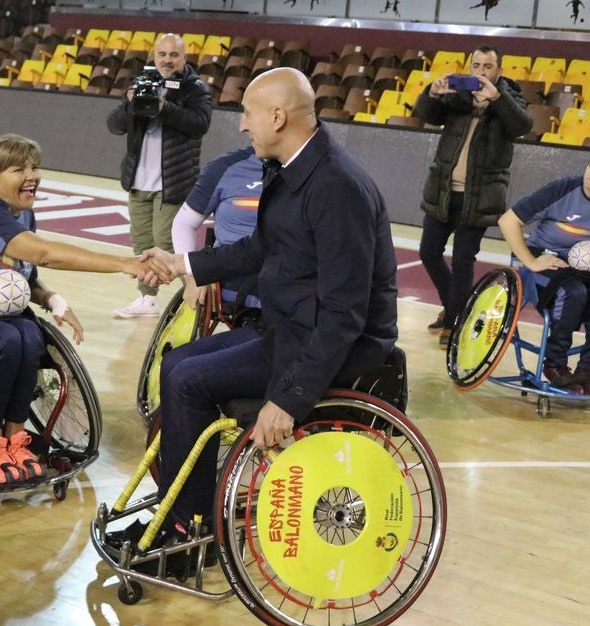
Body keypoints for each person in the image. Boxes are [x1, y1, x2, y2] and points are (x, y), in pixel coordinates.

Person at [109, 67, 397, 553]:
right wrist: (183, 263)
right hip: (290, 327)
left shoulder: (336, 187)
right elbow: (257, 249)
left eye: (247, 114)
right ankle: (184, 512)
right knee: (176, 362)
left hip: (334, 345)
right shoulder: (296, 172)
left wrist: (289, 398)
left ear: (278, 116)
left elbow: (346, 313)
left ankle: (188, 530)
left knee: (187, 381)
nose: (242, 126)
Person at [0, 134, 159, 485]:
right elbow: (44, 253)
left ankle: (15, 440)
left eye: (34, 167)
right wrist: (124, 263)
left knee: (29, 335)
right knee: (9, 342)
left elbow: (26, 270)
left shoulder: (21, 214)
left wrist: (53, 300)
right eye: (18, 169)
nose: (32, 175)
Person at [497, 140, 590, 396]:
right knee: (573, 292)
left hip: (588, 271)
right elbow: (508, 221)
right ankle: (555, 364)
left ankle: (588, 368)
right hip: (545, 264)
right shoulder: (562, 190)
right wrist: (530, 260)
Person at [413, 44, 531, 348]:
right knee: (428, 252)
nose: (480, 72)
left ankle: (454, 320)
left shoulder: (510, 98)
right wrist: (433, 93)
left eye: (487, 67)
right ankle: (458, 307)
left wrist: (497, 99)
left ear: (498, 71)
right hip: (443, 189)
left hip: (479, 196)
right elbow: (425, 114)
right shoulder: (458, 97)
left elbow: (522, 126)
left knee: (463, 260)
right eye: (476, 66)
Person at [107, 33, 212, 319]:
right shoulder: (143, 82)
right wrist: (130, 103)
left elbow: (200, 124)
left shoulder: (194, 88)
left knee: (166, 243)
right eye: (162, 54)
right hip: (139, 180)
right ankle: (147, 300)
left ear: (184, 57)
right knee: (142, 245)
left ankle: (198, 296)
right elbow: (114, 125)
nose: (167, 59)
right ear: (154, 55)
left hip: (174, 181)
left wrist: (165, 107)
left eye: (173, 55)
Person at [170, 145, 262, 312]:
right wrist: (193, 276)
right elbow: (184, 223)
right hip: (236, 278)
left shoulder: (317, 169)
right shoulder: (226, 167)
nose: (243, 126)